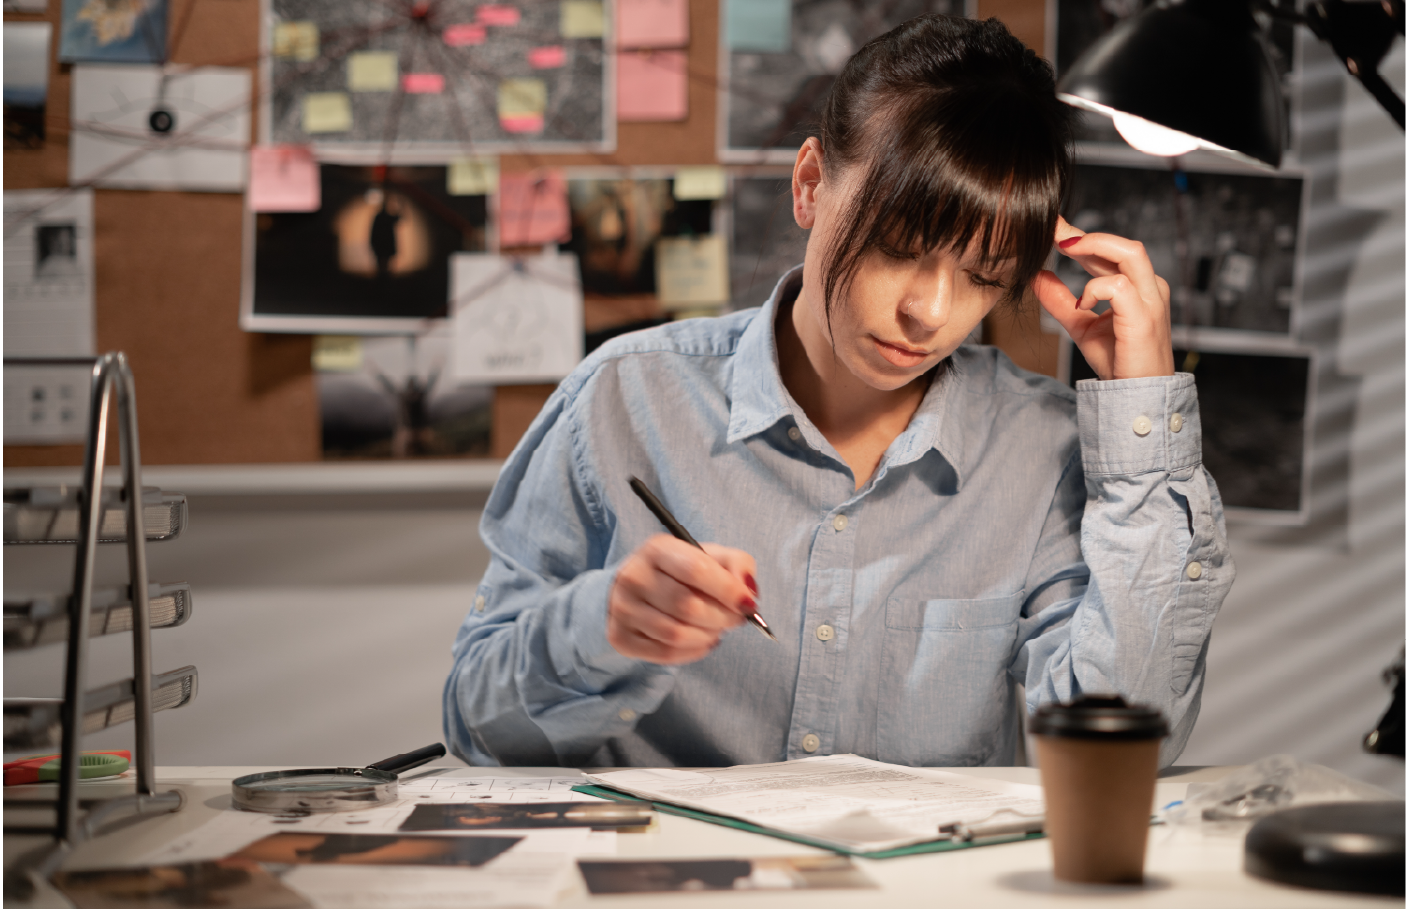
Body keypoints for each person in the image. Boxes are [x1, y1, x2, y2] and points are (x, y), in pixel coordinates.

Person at [443, 15, 1233, 770]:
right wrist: (597, 628)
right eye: (897, 247)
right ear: (811, 183)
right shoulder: (625, 400)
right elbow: (477, 727)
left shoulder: (1038, 449)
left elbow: (1133, 741)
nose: (928, 312)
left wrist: (1143, 419)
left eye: (982, 277)